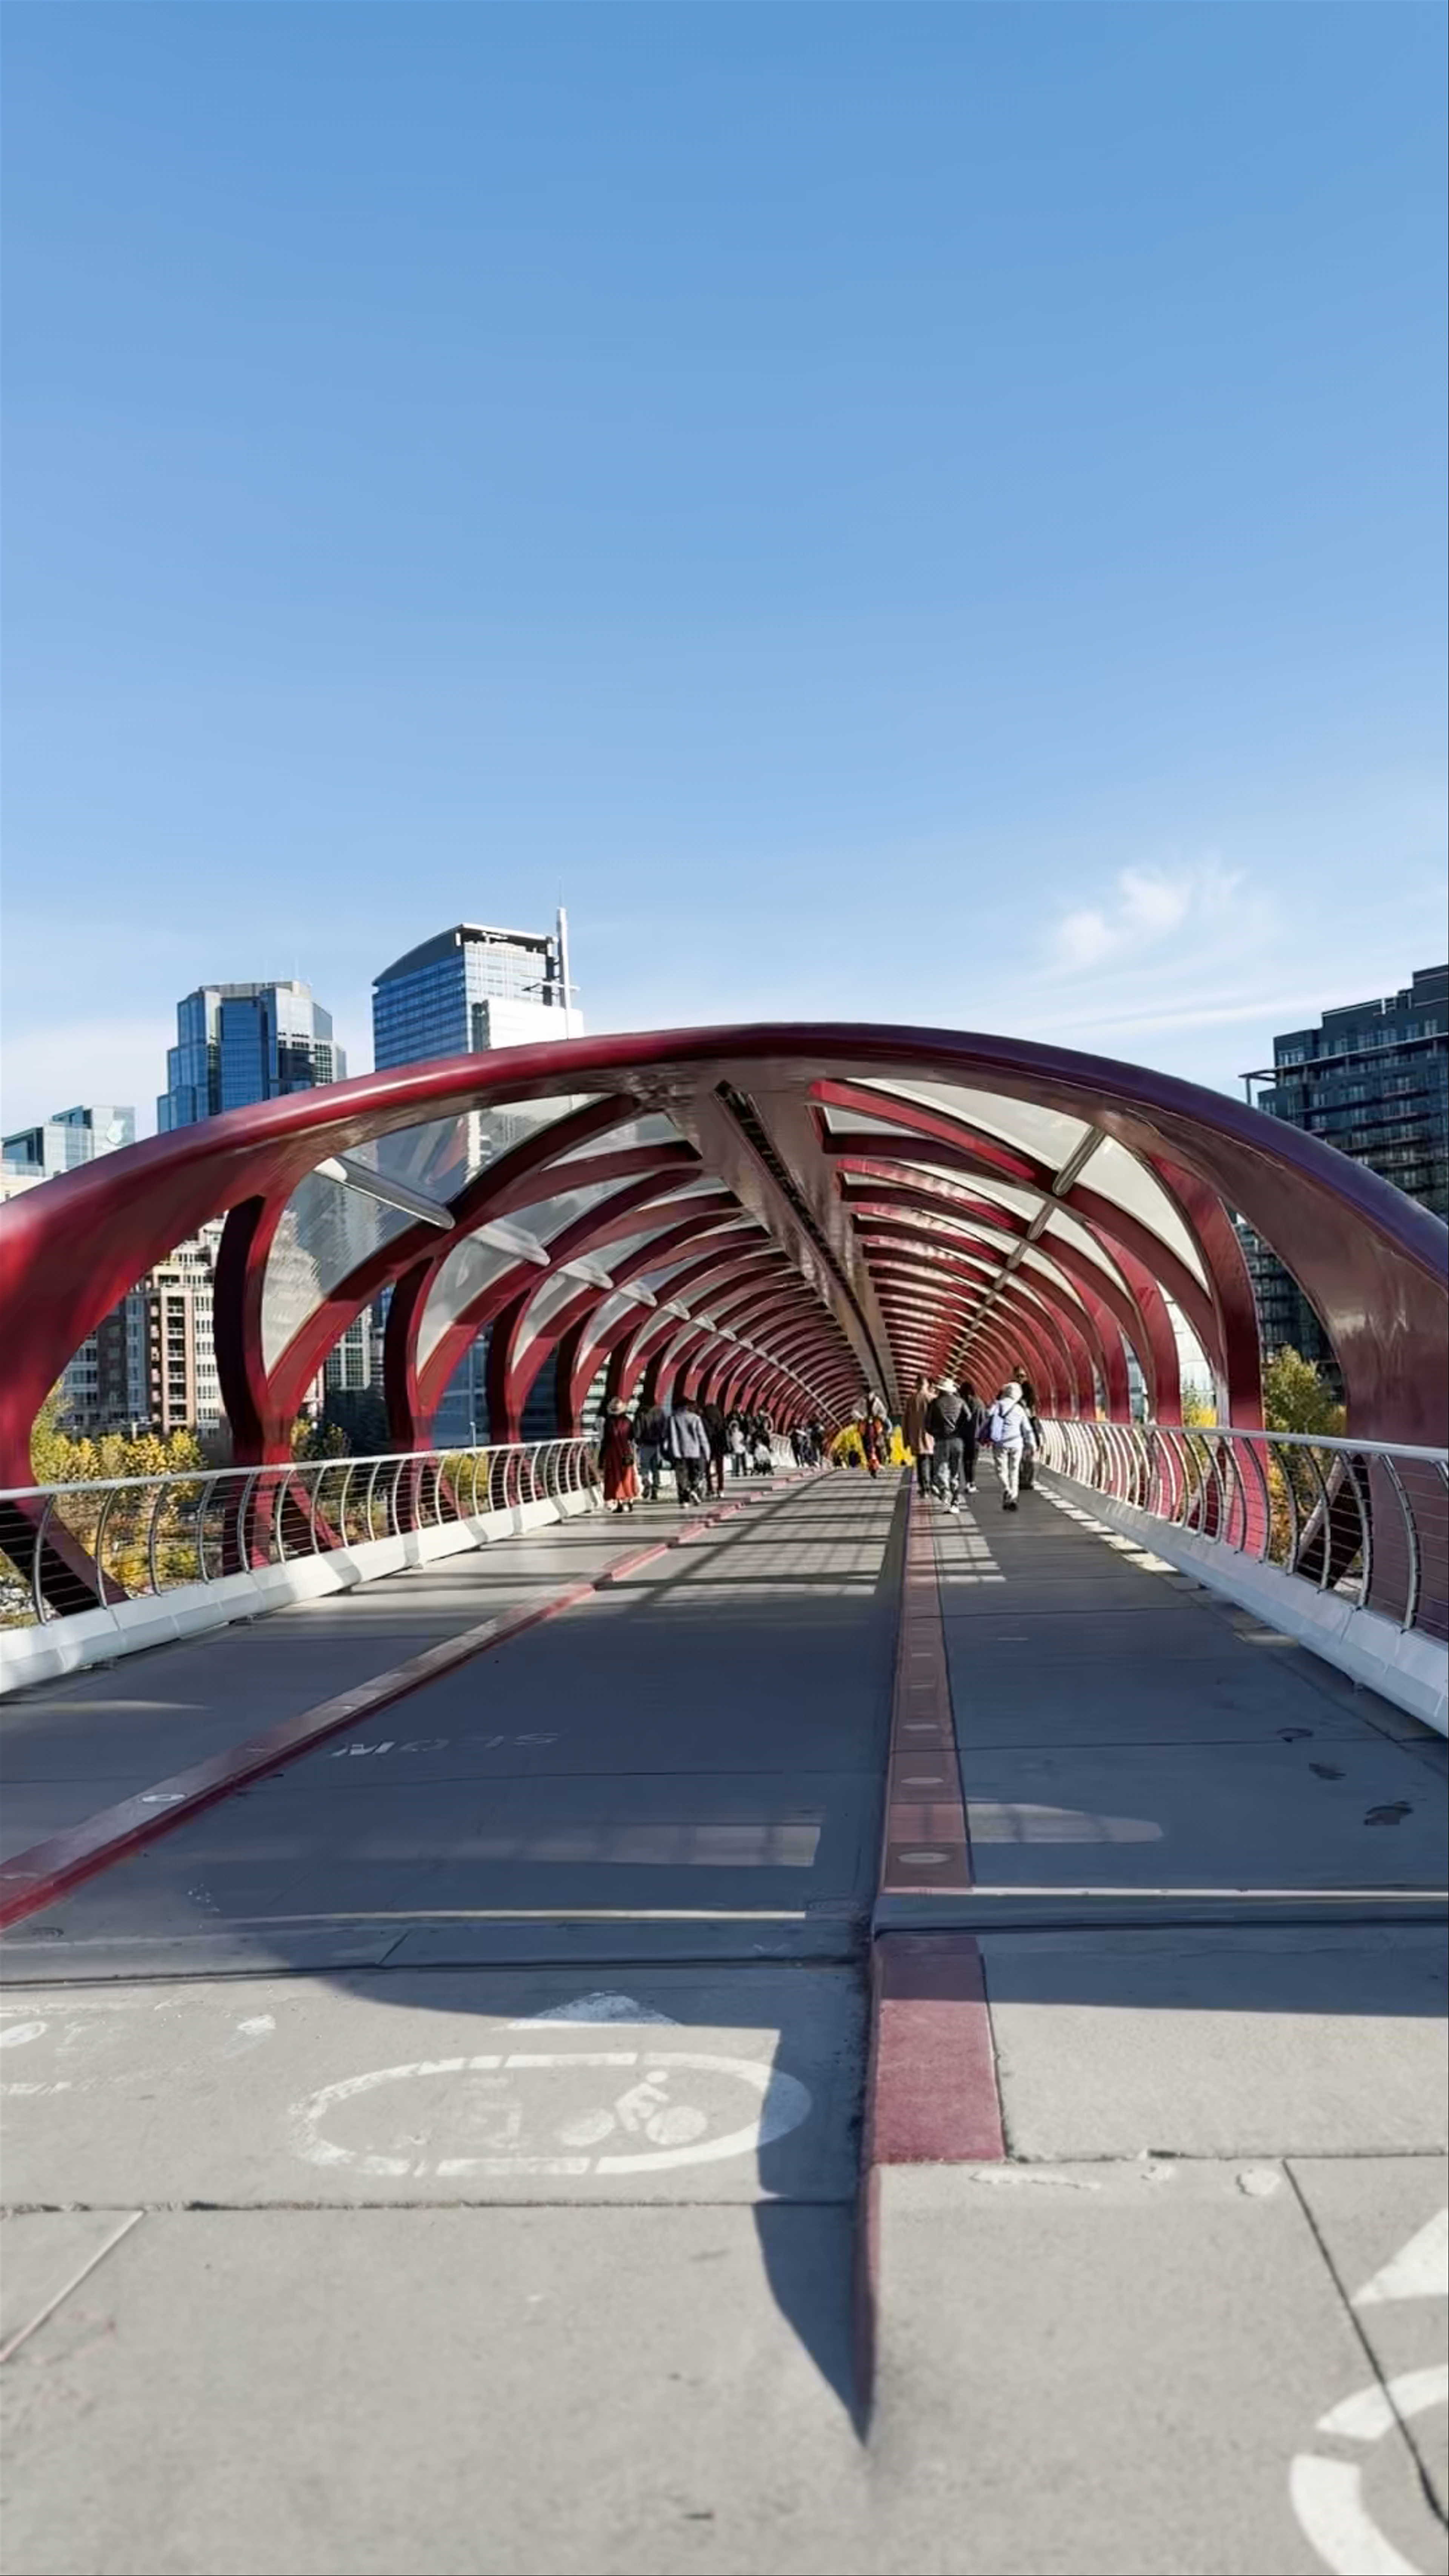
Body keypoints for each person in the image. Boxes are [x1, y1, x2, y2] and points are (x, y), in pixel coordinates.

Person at [984, 1380, 1036, 1511]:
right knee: (1014, 1471)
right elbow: (1027, 1429)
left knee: (1001, 1470)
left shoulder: (997, 1406)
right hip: (1017, 1443)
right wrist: (1032, 1444)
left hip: (1000, 1443)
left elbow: (988, 1418)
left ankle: (1006, 1489)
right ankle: (1013, 1499)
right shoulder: (1019, 1409)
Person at [926, 1378, 968, 1511]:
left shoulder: (935, 1403)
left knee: (941, 1470)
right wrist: (961, 1432)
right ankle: (955, 1501)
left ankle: (945, 1492)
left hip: (942, 1441)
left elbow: (927, 1424)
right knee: (956, 1471)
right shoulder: (961, 1402)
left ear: (941, 1390)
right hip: (957, 1441)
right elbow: (969, 1418)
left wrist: (936, 1433)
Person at [667, 1392, 712, 1506]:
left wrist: (673, 1452)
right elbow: (702, 1437)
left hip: (679, 1452)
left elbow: (672, 1436)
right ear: (687, 1406)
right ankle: (692, 1490)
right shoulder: (695, 1418)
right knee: (694, 1474)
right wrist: (707, 1453)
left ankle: (684, 1500)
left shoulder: (673, 1418)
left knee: (681, 1476)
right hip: (694, 1452)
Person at [599, 1398, 640, 1513]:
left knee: (615, 1477)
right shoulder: (628, 1421)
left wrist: (601, 1458)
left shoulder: (609, 1422)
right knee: (629, 1476)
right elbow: (633, 1437)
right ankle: (630, 1501)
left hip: (612, 1454)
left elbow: (606, 1440)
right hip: (627, 1452)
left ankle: (619, 1503)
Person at [904, 1376, 935, 1498]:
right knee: (932, 1461)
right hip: (932, 1436)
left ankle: (924, 1488)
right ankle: (932, 1485)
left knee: (921, 1461)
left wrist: (906, 1439)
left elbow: (905, 1421)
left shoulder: (911, 1400)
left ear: (916, 1385)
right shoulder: (933, 1398)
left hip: (916, 1437)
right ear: (926, 1384)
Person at [634, 1395, 668, 1501]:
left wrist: (638, 1441)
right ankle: (655, 1489)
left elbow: (637, 1429)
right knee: (655, 1468)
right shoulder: (660, 1412)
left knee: (645, 1467)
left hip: (645, 1444)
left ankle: (646, 1482)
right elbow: (665, 1427)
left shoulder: (641, 1412)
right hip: (657, 1444)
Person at [700, 1397, 728, 1499]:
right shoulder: (721, 1421)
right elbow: (725, 1435)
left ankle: (710, 1489)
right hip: (719, 1447)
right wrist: (725, 1447)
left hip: (708, 1447)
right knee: (720, 1469)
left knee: (707, 1469)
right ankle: (721, 1489)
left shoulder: (704, 1420)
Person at [728, 1414, 749, 1478]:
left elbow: (743, 1440)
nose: (735, 1429)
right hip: (736, 1449)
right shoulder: (731, 1435)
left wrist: (744, 1443)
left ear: (738, 1428)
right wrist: (731, 1448)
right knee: (737, 1461)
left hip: (742, 1448)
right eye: (734, 1428)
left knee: (744, 1461)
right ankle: (737, 1472)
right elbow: (731, 1442)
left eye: (736, 1428)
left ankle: (745, 1471)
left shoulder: (741, 1433)